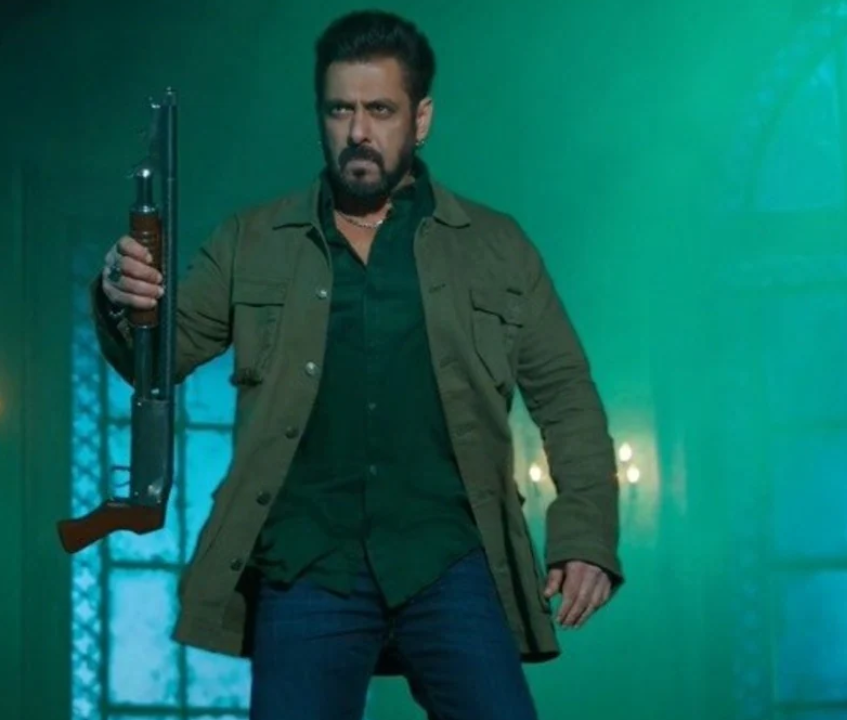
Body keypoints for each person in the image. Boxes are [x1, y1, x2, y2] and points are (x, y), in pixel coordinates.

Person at [92, 9, 622, 720]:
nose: (359, 131)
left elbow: (566, 395)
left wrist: (586, 533)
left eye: (381, 110)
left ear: (420, 119)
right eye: (341, 110)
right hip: (308, 562)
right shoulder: (254, 240)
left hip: (449, 556)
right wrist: (120, 297)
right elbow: (159, 361)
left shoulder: (495, 246)